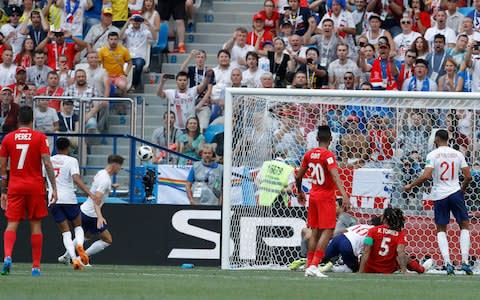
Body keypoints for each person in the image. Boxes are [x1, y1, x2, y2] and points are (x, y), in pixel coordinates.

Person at [404, 129, 473, 275]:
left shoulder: (433, 155)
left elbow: (426, 175)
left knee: (441, 229)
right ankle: (465, 262)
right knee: (464, 225)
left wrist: (411, 185)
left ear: (436, 139)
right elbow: (468, 176)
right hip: (455, 192)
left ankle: (448, 263)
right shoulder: (457, 153)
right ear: (448, 139)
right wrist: (462, 190)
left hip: (440, 195)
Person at [0, 106, 58, 276]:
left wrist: (3, 190)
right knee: (35, 224)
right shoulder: (40, 137)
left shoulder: (8, 139)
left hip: (15, 186)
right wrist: (54, 188)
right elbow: (47, 163)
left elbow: (2, 167)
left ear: (18, 119)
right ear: (33, 120)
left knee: (12, 223)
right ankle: (35, 267)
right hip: (35, 186)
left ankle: (8, 256)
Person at [295, 125, 350, 278]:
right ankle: (314, 265)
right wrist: (344, 196)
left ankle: (309, 265)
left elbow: (298, 176)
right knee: (328, 230)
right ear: (331, 140)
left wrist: (300, 192)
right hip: (326, 197)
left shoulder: (308, 154)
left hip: (313, 196)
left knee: (315, 231)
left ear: (317, 138)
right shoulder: (328, 155)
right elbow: (335, 176)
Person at [50, 137, 96, 270]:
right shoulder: (72, 160)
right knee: (78, 227)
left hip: (54, 199)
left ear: (56, 147)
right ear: (68, 148)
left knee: (65, 232)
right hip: (69, 198)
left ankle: (73, 257)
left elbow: (42, 179)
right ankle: (80, 246)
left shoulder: (48, 161)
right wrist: (89, 193)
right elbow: (76, 178)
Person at [74, 154, 124, 261]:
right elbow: (97, 199)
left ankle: (67, 255)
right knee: (107, 240)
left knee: (87, 235)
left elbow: (99, 187)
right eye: (120, 166)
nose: (120, 168)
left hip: (84, 210)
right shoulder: (105, 180)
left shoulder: (101, 173)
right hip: (92, 214)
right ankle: (80, 258)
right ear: (114, 165)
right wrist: (100, 217)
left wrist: (111, 186)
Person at [358, 208, 408, 274]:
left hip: (370, 270)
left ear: (384, 218)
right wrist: (404, 270)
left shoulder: (372, 231)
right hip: (387, 271)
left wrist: (360, 271)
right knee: (407, 258)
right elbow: (400, 252)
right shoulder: (400, 234)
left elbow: (366, 250)